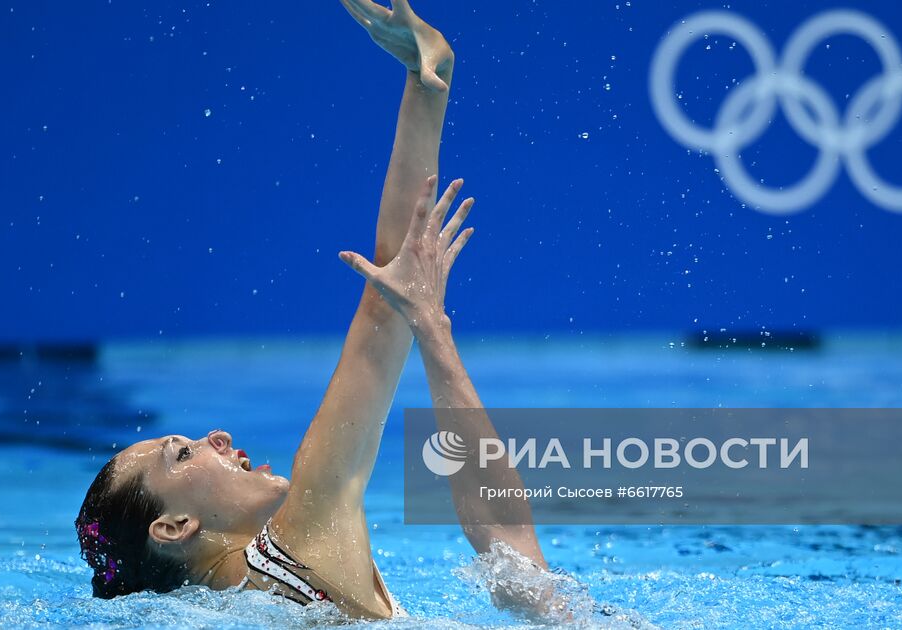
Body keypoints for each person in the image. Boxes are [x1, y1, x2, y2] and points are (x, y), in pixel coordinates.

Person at [75, 0, 549, 620]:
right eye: (184, 453)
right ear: (175, 527)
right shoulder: (299, 541)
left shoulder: (224, 604)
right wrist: (425, 85)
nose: (215, 435)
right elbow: (508, 545)